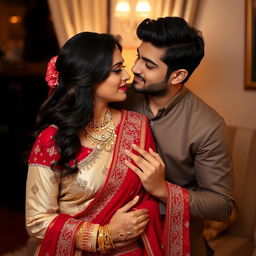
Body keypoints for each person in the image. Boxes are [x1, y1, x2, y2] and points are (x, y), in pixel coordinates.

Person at [25, 31, 189, 256]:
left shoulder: (137, 126)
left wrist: (157, 187)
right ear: (89, 76)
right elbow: (36, 221)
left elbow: (146, 198)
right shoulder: (52, 139)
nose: (127, 77)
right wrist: (104, 235)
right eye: (116, 70)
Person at [115, 17, 234, 256]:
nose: (135, 68)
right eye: (139, 56)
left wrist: (162, 190)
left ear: (177, 76)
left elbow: (222, 205)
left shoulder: (207, 125)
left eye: (149, 65)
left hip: (175, 243)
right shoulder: (121, 98)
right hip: (116, 238)